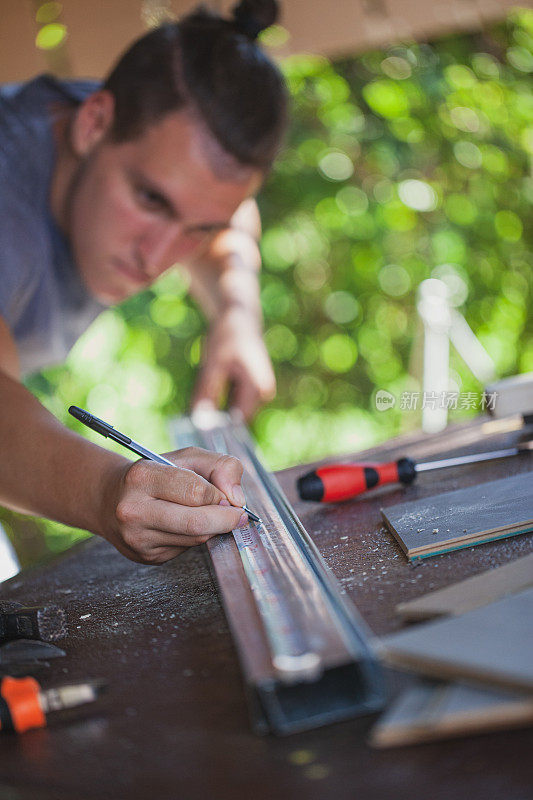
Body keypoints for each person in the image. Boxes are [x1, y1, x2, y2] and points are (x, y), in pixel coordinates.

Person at [0, 0, 288, 568]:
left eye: (196, 227)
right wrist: (107, 490)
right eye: (151, 201)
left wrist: (236, 309)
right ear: (94, 122)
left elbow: (228, 215)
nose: (156, 259)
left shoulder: (150, 132)